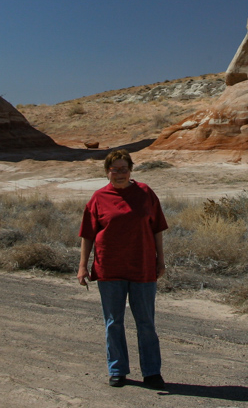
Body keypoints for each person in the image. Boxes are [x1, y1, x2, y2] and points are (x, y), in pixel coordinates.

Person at [78, 149, 168, 389]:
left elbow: (157, 228)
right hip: (109, 267)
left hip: (143, 266)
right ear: (107, 172)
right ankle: (117, 370)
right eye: (114, 169)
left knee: (146, 323)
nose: (119, 173)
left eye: (124, 169)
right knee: (113, 322)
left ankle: (152, 372)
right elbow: (87, 235)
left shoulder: (145, 193)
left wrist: (161, 260)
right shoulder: (98, 198)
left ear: (131, 170)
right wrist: (82, 267)